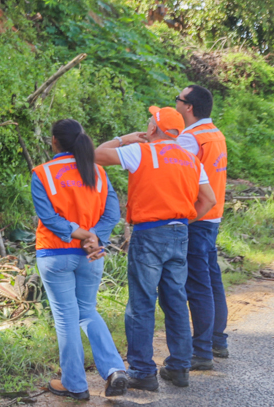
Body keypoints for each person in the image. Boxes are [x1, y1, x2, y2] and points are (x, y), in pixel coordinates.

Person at [94, 106, 216, 392]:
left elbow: (96, 154)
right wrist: (183, 219)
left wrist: (125, 138)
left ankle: (143, 371)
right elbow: (208, 200)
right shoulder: (190, 159)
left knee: (141, 304)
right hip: (180, 233)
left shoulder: (142, 151)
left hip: (149, 234)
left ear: (153, 130)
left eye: (150, 122)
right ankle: (179, 367)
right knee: (175, 299)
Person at [32, 119, 130, 401]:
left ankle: (74, 384)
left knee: (66, 317)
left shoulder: (43, 173)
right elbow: (112, 214)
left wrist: (80, 235)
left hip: (55, 252)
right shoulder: (98, 172)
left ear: (54, 141)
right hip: (91, 254)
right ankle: (114, 369)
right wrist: (93, 238)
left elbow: (49, 219)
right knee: (87, 310)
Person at [175, 85, 230, 366]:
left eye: (178, 100)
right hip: (213, 214)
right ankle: (217, 340)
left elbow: (177, 177)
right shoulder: (215, 134)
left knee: (197, 285)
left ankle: (202, 351)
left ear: (189, 107)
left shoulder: (190, 139)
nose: (175, 104)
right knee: (211, 279)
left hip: (196, 216)